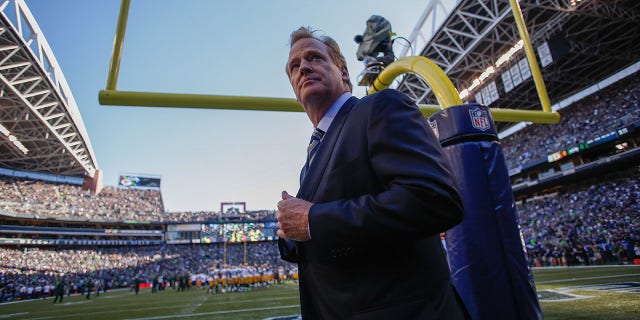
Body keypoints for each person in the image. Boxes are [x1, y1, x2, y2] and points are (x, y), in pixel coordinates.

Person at [276, 26, 469, 319]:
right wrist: (291, 233)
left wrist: (314, 220)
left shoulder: (380, 107)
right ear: (293, 88)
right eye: (294, 66)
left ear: (343, 74)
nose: (303, 66)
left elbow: (434, 198)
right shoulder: (314, 154)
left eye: (315, 57)